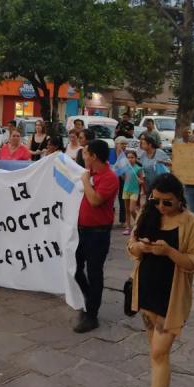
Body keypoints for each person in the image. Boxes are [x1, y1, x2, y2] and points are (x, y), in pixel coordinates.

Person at [126, 173, 194, 387]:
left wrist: (170, 252)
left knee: (158, 353)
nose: (161, 206)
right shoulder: (146, 214)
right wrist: (139, 247)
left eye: (167, 202)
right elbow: (130, 246)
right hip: (146, 291)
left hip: (172, 298)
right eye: (155, 200)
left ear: (179, 199)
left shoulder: (193, 224)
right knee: (157, 353)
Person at [74, 139, 119, 333]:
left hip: (98, 233)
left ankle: (92, 315)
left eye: (85, 153)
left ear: (93, 156)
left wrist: (85, 181)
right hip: (82, 230)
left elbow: (94, 200)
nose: (83, 156)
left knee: (94, 272)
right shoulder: (90, 173)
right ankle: (88, 297)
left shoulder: (109, 177)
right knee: (74, 267)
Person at [122, 150, 143, 235]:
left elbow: (142, 180)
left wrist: (140, 181)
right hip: (126, 190)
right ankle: (128, 227)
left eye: (132, 157)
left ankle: (138, 224)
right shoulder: (125, 168)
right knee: (127, 210)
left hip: (135, 191)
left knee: (132, 209)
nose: (130, 159)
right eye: (128, 157)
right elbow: (124, 179)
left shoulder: (138, 168)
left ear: (136, 158)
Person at [115, 136, 130, 227]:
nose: (124, 146)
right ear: (116, 144)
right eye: (122, 144)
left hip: (122, 179)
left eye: (125, 144)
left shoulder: (126, 155)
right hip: (111, 179)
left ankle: (123, 220)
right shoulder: (111, 153)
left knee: (122, 198)